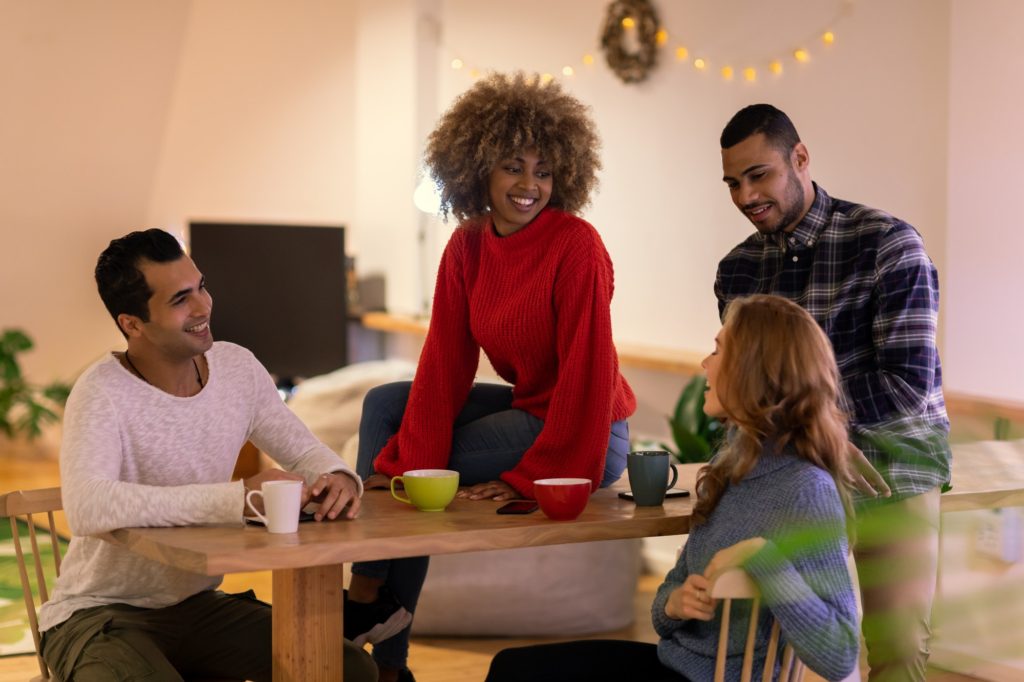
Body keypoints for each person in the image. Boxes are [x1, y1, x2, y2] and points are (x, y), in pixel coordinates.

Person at [344, 72, 637, 682]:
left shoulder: (577, 246)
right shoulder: (467, 245)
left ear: (565, 177)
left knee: (426, 468)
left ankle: (384, 651)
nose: (529, 185)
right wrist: (404, 458)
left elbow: (589, 375)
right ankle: (370, 584)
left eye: (544, 171)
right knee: (385, 408)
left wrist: (533, 478)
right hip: (533, 406)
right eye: (512, 166)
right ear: (478, 167)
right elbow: (444, 363)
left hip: (586, 431)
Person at [36, 229, 377, 682]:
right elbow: (88, 506)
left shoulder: (237, 368)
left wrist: (337, 476)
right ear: (132, 323)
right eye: (180, 299)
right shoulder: (101, 392)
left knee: (348, 669)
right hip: (98, 616)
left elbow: (304, 451)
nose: (203, 307)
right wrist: (237, 500)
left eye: (201, 286)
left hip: (198, 609)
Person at [485, 294, 860, 682]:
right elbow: (665, 604)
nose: (704, 363)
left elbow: (839, 654)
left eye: (718, 350)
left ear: (753, 370)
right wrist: (675, 605)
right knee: (513, 667)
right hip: (676, 666)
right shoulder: (728, 468)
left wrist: (760, 557)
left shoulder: (806, 491)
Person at [715, 104, 951, 681]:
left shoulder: (888, 244)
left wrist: (819, 429)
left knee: (896, 650)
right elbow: (745, 390)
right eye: (732, 182)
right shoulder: (737, 272)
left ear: (800, 158)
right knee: (764, 644)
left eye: (759, 175)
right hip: (792, 470)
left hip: (891, 466)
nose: (746, 196)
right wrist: (813, 439)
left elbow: (905, 385)